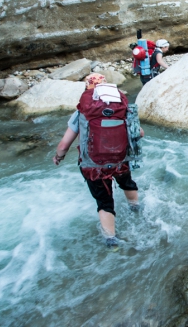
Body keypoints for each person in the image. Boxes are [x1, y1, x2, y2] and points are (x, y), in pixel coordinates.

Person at [53, 73, 143, 247]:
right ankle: (136, 208)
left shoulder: (82, 112)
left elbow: (64, 145)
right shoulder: (121, 107)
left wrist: (58, 157)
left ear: (88, 88)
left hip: (93, 166)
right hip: (120, 159)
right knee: (127, 182)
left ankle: (111, 240)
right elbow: (139, 133)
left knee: (104, 202)